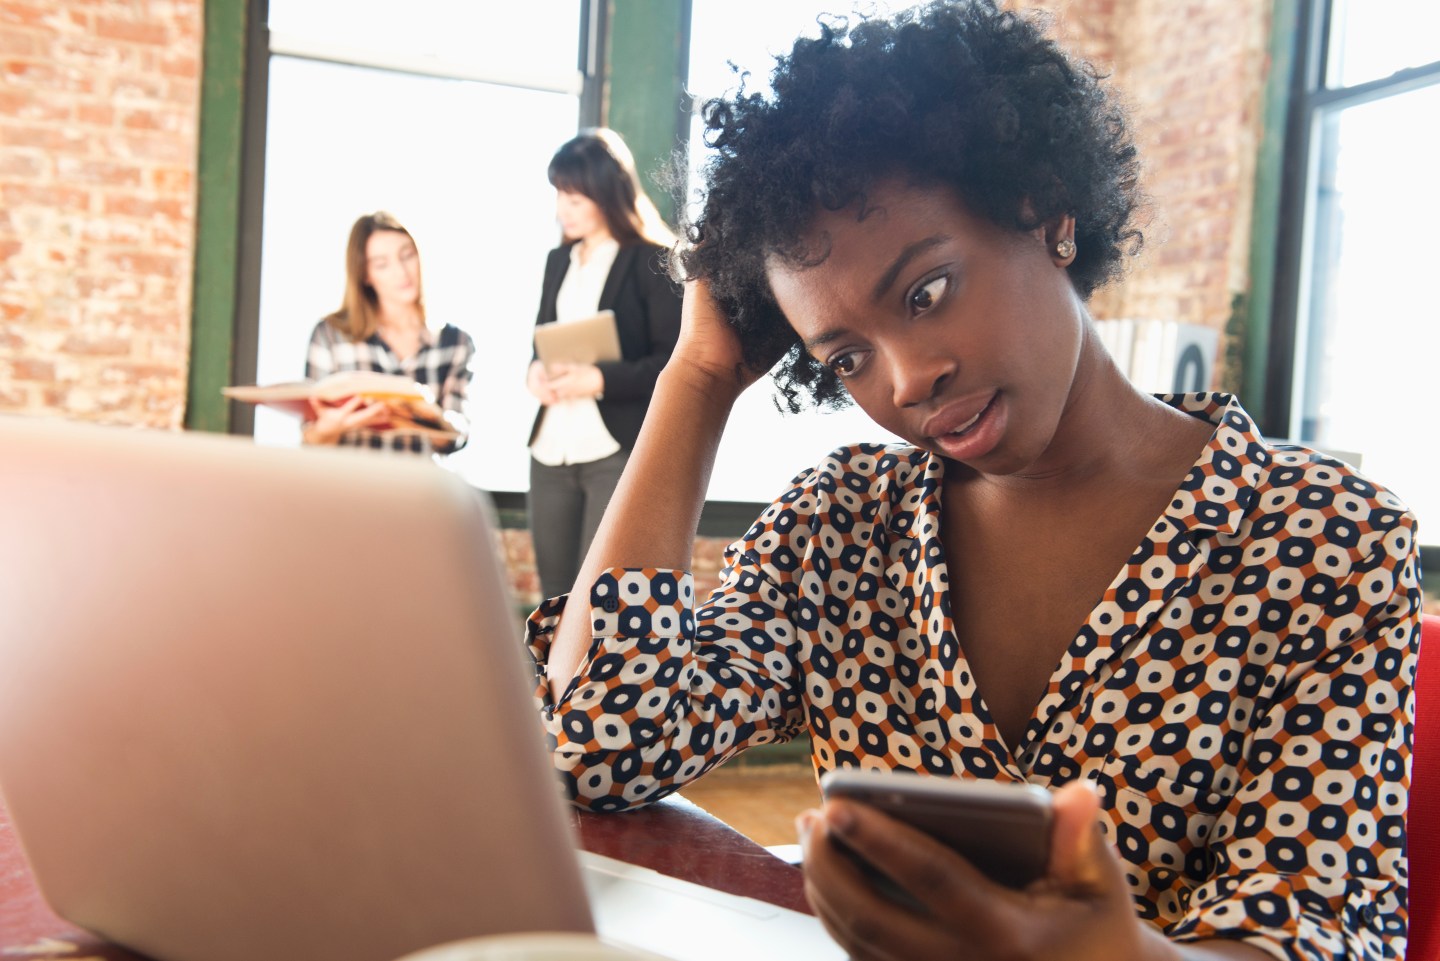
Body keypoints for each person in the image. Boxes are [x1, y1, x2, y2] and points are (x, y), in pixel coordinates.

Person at [526, 3, 1423, 960]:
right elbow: (599, 746)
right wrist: (696, 381)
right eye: (846, 359)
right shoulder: (842, 526)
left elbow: (1322, 931)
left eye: (927, 293)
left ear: (1048, 212)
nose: (907, 380)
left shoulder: (1326, 537)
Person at [524, 129, 684, 600]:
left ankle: (586, 679)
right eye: (559, 197)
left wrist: (597, 379)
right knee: (554, 595)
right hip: (550, 449)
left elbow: (671, 365)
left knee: (599, 597)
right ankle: (549, 678)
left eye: (573, 198)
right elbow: (541, 340)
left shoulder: (652, 261)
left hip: (612, 449)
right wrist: (534, 372)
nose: (562, 210)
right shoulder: (559, 261)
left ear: (605, 194)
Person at [303, 211, 474, 455]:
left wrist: (430, 416)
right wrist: (330, 428)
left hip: (420, 487)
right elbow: (311, 438)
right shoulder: (331, 335)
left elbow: (456, 438)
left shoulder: (456, 342)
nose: (401, 271)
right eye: (382, 264)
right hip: (351, 485)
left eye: (407, 256)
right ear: (365, 275)